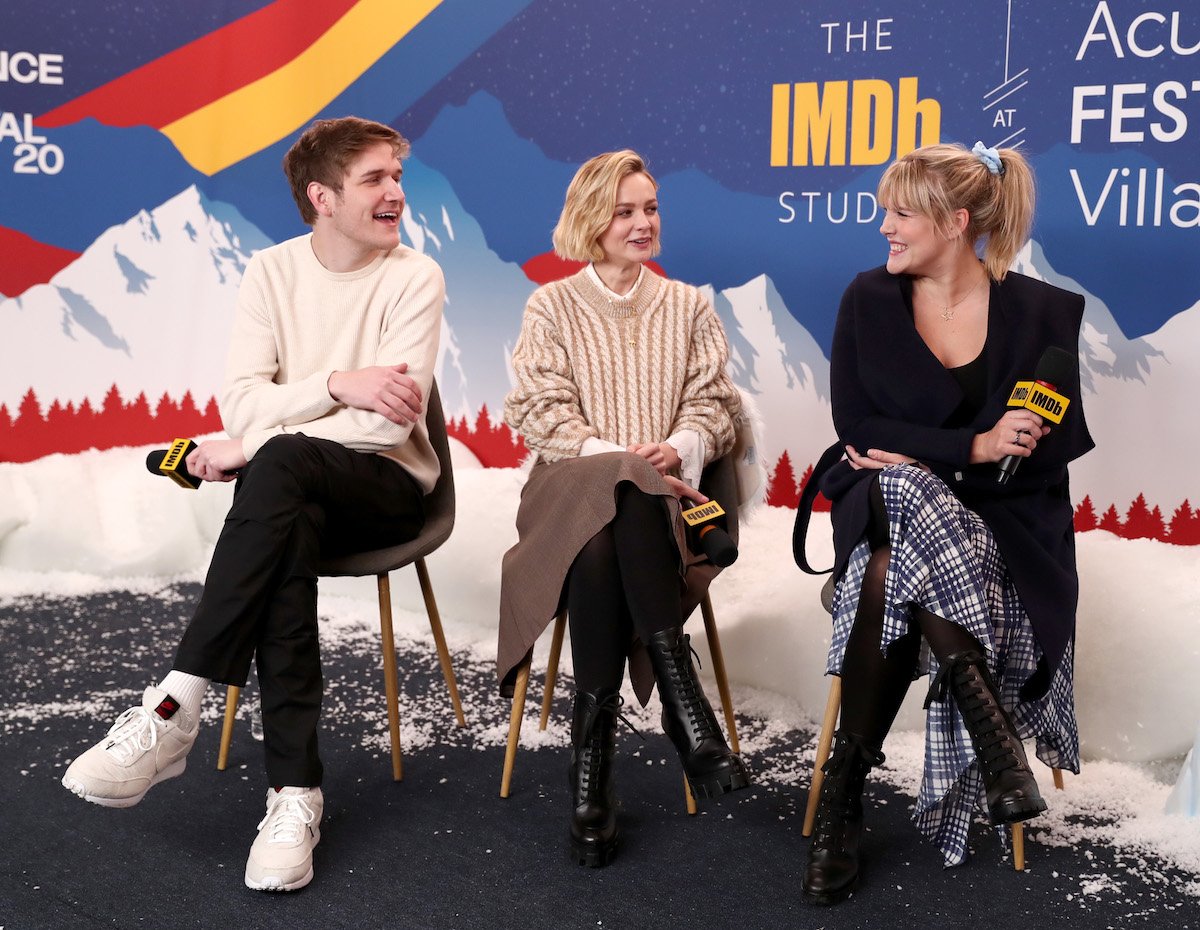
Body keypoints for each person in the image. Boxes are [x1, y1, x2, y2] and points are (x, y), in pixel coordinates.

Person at [61, 116, 445, 892]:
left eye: (397, 177)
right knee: (285, 508)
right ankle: (294, 793)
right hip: (297, 493)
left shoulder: (415, 277)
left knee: (279, 460)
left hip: (386, 489)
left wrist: (263, 433)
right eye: (375, 179)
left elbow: (382, 425)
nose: (396, 193)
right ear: (322, 197)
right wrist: (335, 384)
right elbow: (241, 400)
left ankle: (175, 705)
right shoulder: (272, 273)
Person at [793, 142, 1094, 904]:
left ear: (956, 221)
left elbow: (1047, 458)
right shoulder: (868, 299)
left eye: (900, 214)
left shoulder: (1045, 314)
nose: (884, 229)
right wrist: (975, 446)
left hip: (1006, 539)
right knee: (902, 483)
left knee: (895, 566)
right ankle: (993, 739)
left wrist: (974, 452)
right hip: (886, 511)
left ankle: (841, 799)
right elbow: (859, 429)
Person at [499, 149, 751, 868]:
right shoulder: (549, 305)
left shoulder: (689, 305)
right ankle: (683, 702)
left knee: (619, 523)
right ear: (591, 219)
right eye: (625, 210)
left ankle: (593, 769)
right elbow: (543, 413)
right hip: (563, 492)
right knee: (616, 491)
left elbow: (715, 405)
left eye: (651, 208)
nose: (643, 222)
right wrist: (626, 462)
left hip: (662, 506)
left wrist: (680, 445)